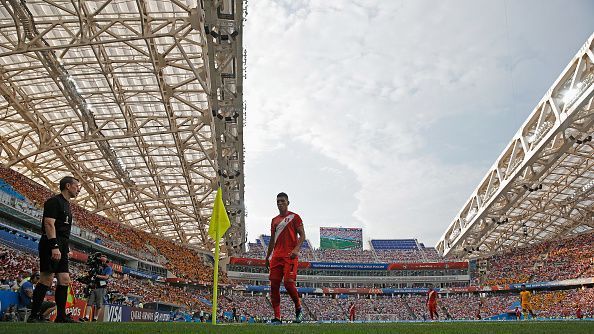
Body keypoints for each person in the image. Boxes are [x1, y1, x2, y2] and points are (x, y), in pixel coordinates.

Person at [29, 176, 81, 323]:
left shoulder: (67, 205)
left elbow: (62, 229)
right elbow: (49, 224)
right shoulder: (54, 201)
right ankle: (33, 316)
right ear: (68, 186)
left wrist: (65, 246)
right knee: (46, 279)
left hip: (62, 244)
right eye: (77, 186)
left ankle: (61, 316)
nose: (79, 189)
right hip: (51, 243)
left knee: (64, 280)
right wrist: (55, 246)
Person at [265, 192, 306, 324]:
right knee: (274, 286)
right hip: (276, 257)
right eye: (278, 201)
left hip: (290, 256)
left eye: (282, 201)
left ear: (288, 202)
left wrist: (296, 249)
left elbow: (303, 235)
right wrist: (267, 257)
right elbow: (272, 240)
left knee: (288, 284)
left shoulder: (295, 217)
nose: (280, 203)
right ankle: (277, 317)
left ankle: (299, 308)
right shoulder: (274, 220)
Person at [81, 254, 112, 322]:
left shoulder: (108, 268)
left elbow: (106, 277)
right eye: (102, 256)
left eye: (104, 256)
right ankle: (86, 317)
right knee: (89, 303)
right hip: (94, 286)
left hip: (101, 287)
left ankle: (95, 318)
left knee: (99, 304)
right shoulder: (96, 266)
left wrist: (97, 276)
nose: (103, 257)